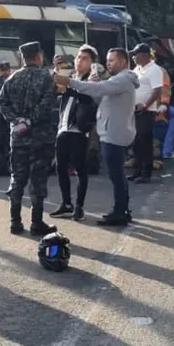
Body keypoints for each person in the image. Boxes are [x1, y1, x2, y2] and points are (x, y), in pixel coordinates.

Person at [56, 48, 139, 227]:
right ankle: (122, 209)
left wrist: (69, 82)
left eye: (112, 60)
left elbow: (99, 89)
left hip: (113, 133)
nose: (108, 63)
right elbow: (102, 96)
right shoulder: (118, 80)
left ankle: (120, 212)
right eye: (108, 60)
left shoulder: (123, 79)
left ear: (123, 62)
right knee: (117, 175)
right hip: (112, 131)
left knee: (116, 175)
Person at [0, 41, 59, 236]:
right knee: (38, 181)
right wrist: (30, 121)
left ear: (22, 57)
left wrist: (17, 121)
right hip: (40, 138)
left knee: (17, 179)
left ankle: (15, 222)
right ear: (39, 55)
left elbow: (1, 103)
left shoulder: (12, 78)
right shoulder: (46, 77)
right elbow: (47, 104)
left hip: (18, 138)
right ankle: (36, 222)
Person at [51, 46, 99, 221]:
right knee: (60, 167)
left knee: (80, 169)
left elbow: (88, 98)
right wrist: (55, 71)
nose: (80, 60)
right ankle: (66, 203)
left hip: (79, 130)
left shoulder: (92, 81)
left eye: (85, 58)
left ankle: (79, 206)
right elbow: (54, 90)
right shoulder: (69, 78)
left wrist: (67, 87)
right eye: (78, 57)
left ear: (92, 63)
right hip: (63, 127)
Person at [129, 43, 163, 183]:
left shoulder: (154, 70)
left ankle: (145, 173)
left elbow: (157, 91)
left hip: (147, 111)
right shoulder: (137, 69)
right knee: (136, 142)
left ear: (145, 55)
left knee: (145, 142)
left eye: (136, 54)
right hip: (134, 110)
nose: (134, 57)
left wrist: (145, 105)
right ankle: (137, 171)